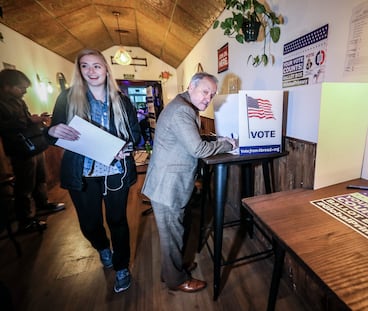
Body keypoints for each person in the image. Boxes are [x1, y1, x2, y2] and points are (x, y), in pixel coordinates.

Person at [47, 49, 141, 293]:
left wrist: (125, 148)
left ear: (106, 69)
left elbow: (136, 136)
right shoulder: (67, 98)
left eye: (97, 66)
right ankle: (102, 247)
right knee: (89, 224)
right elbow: (53, 133)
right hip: (82, 173)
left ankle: (121, 267)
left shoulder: (122, 100)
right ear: (79, 70)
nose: (92, 71)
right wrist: (52, 131)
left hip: (114, 172)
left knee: (118, 220)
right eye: (85, 66)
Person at [142, 72, 237, 292]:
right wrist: (229, 145)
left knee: (173, 233)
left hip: (166, 183)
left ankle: (172, 269)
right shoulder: (183, 110)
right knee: (172, 236)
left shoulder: (181, 105)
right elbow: (197, 149)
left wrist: (215, 139)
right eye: (205, 92)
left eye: (212, 94)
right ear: (191, 87)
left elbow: (188, 139)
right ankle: (176, 280)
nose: (208, 98)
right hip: (168, 186)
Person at [0, 69, 65, 234]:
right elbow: (7, 126)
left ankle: (43, 204)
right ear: (7, 86)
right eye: (20, 87)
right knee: (25, 186)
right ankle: (26, 220)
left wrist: (35, 118)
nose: (24, 91)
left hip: (34, 144)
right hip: (20, 149)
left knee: (40, 178)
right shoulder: (2, 103)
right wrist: (31, 120)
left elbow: (24, 119)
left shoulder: (19, 101)